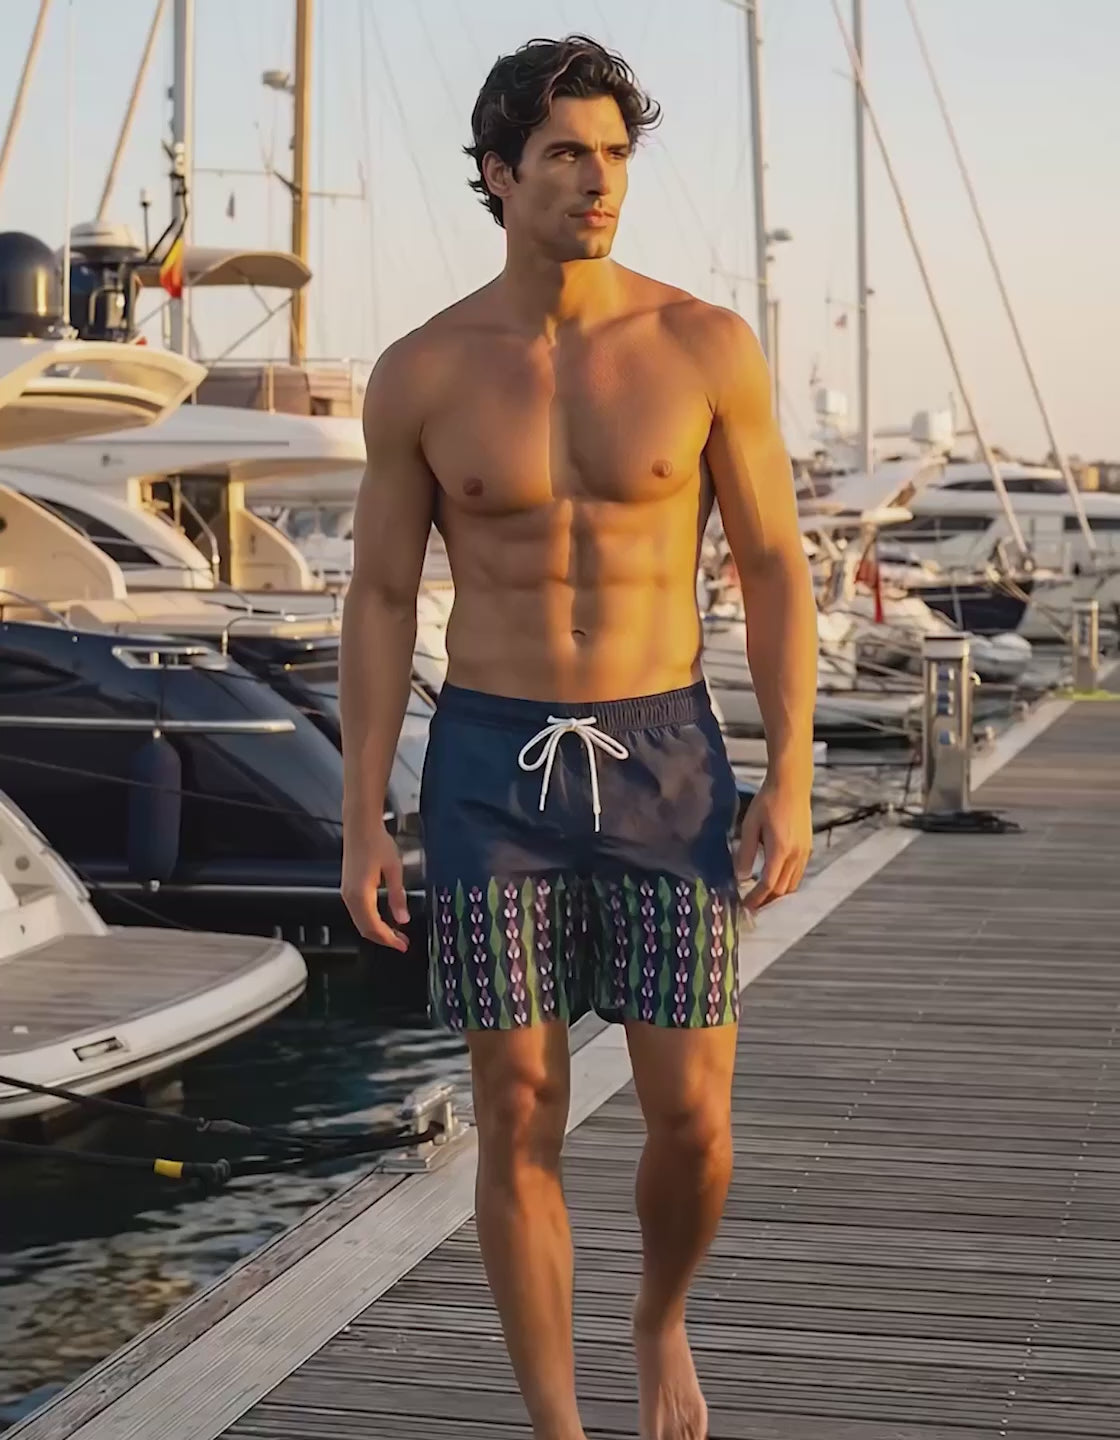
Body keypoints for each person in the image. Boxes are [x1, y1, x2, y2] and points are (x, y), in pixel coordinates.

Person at [340, 34, 817, 1440]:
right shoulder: (424, 370)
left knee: (694, 1118)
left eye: (613, 154)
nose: (598, 181)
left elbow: (776, 567)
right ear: (499, 174)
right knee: (517, 1104)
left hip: (665, 760)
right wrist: (362, 815)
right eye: (564, 155)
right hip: (492, 765)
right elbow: (380, 596)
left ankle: (659, 1316)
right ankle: (557, 1424)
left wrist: (793, 774)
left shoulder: (702, 348)